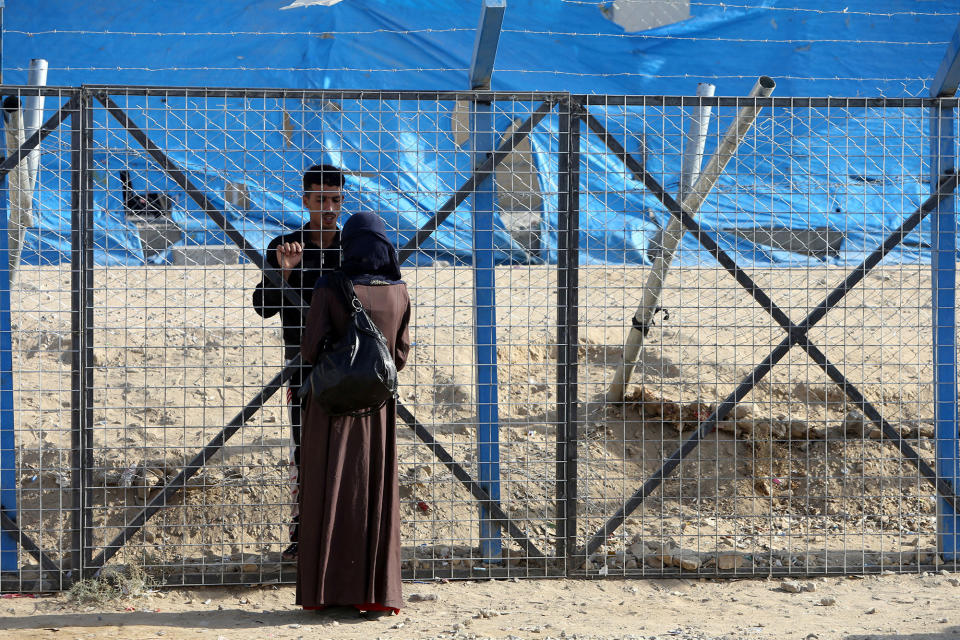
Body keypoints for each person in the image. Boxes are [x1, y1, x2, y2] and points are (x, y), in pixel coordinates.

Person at [296, 210, 411, 615]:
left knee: (328, 489)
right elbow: (399, 355)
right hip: (377, 410)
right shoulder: (400, 291)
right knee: (373, 492)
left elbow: (310, 349)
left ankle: (326, 592)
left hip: (331, 409)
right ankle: (376, 594)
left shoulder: (331, 285)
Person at [252, 164, 344, 562]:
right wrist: (283, 272)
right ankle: (303, 535)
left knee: (346, 449)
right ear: (305, 201)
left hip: (347, 365)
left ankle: (344, 533)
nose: (328, 208)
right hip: (303, 370)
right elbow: (263, 307)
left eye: (335, 200)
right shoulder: (287, 245)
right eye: (320, 200)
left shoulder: (352, 246)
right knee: (304, 451)